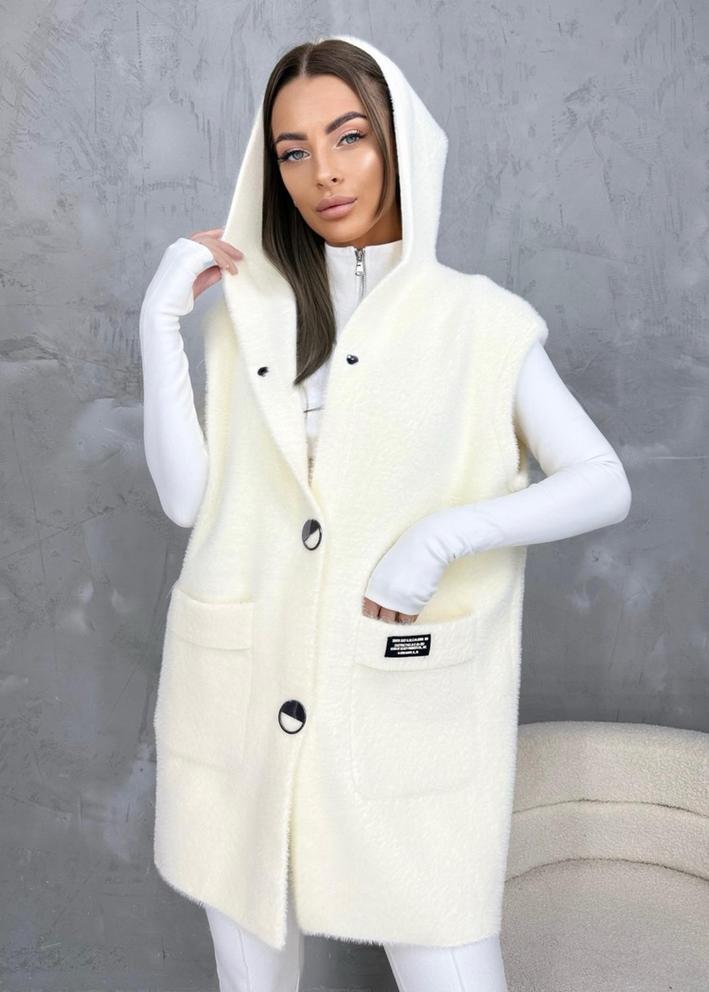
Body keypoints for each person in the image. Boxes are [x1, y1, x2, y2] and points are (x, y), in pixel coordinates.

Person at [139, 35, 631, 992]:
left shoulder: (479, 321)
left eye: (349, 136)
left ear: (399, 139)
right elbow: (188, 499)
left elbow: (600, 481)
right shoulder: (246, 316)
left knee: (447, 956)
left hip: (401, 704)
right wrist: (159, 324)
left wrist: (440, 537)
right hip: (238, 695)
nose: (323, 173)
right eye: (292, 151)